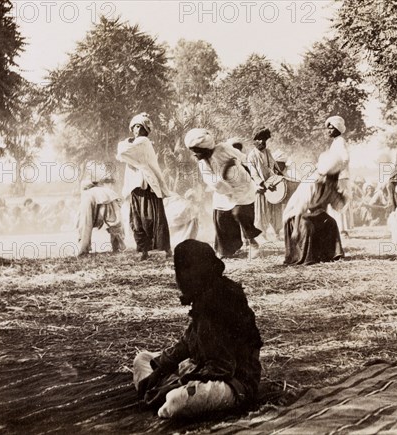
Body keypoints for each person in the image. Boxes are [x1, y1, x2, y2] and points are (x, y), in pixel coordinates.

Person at [133, 239, 263, 419]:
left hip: (234, 382)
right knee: (142, 359)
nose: (179, 278)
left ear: (199, 270)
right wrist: (160, 369)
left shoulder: (222, 300)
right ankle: (165, 395)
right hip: (200, 368)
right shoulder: (204, 295)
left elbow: (223, 367)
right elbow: (187, 343)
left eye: (185, 270)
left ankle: (167, 397)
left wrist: (178, 381)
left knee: (177, 400)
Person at [184, 128, 262, 258]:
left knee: (240, 213)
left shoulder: (224, 148)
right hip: (222, 192)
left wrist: (254, 177)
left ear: (206, 148)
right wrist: (226, 171)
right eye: (193, 152)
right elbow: (215, 183)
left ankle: (252, 243)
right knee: (220, 218)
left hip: (241, 187)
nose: (195, 155)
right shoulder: (202, 163)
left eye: (197, 151)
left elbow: (244, 159)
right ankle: (227, 249)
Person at [117, 113, 172, 260]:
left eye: (139, 127)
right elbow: (122, 154)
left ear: (145, 130)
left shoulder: (143, 141)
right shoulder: (135, 143)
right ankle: (144, 251)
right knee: (138, 220)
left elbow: (122, 151)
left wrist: (126, 142)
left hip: (147, 187)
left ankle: (164, 249)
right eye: (134, 126)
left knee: (152, 219)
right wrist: (128, 142)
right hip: (136, 188)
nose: (136, 130)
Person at [282, 149, 347, 265]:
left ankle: (331, 254)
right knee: (307, 226)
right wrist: (296, 229)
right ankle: (306, 257)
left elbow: (338, 206)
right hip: (295, 216)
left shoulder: (330, 186)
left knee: (331, 222)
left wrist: (342, 196)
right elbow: (299, 208)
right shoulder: (311, 184)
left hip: (312, 215)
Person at [247, 128, 283, 240]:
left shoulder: (268, 152)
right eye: (259, 139)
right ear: (254, 141)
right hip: (261, 186)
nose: (262, 142)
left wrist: (280, 176)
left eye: (264, 140)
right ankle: (262, 234)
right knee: (262, 211)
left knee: (276, 209)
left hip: (272, 185)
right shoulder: (252, 155)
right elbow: (253, 174)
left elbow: (274, 167)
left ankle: (277, 233)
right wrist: (264, 184)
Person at [76, 177, 126, 256]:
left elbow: (84, 221)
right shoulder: (105, 190)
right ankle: (117, 247)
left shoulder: (86, 194)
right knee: (114, 223)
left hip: (98, 199)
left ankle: (84, 249)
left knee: (84, 223)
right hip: (110, 198)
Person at [324, 116, 352, 237]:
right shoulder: (335, 142)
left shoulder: (340, 141)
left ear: (337, 129)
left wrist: (336, 170)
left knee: (340, 202)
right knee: (335, 203)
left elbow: (345, 158)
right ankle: (338, 229)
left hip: (340, 177)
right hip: (336, 177)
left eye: (331, 128)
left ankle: (343, 230)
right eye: (328, 129)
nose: (328, 131)